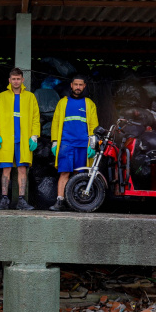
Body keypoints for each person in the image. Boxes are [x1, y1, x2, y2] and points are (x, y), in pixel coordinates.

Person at [49, 74, 99, 212]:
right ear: (71, 85)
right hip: (66, 144)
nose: (78, 87)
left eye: (80, 85)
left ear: (84, 86)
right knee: (64, 173)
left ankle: (76, 202)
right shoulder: (62, 102)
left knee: (80, 174)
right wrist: (54, 142)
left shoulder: (89, 104)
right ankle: (60, 201)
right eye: (75, 84)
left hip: (83, 145)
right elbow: (56, 123)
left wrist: (93, 144)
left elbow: (94, 126)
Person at [0, 67, 39, 210]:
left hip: (23, 140)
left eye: (18, 79)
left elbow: (35, 117)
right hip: (6, 139)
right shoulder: (2, 96)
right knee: (6, 169)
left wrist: (34, 136)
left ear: (22, 80)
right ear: (9, 80)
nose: (16, 81)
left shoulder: (30, 97)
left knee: (22, 169)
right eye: (14, 79)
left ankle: (21, 201)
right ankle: (4, 200)